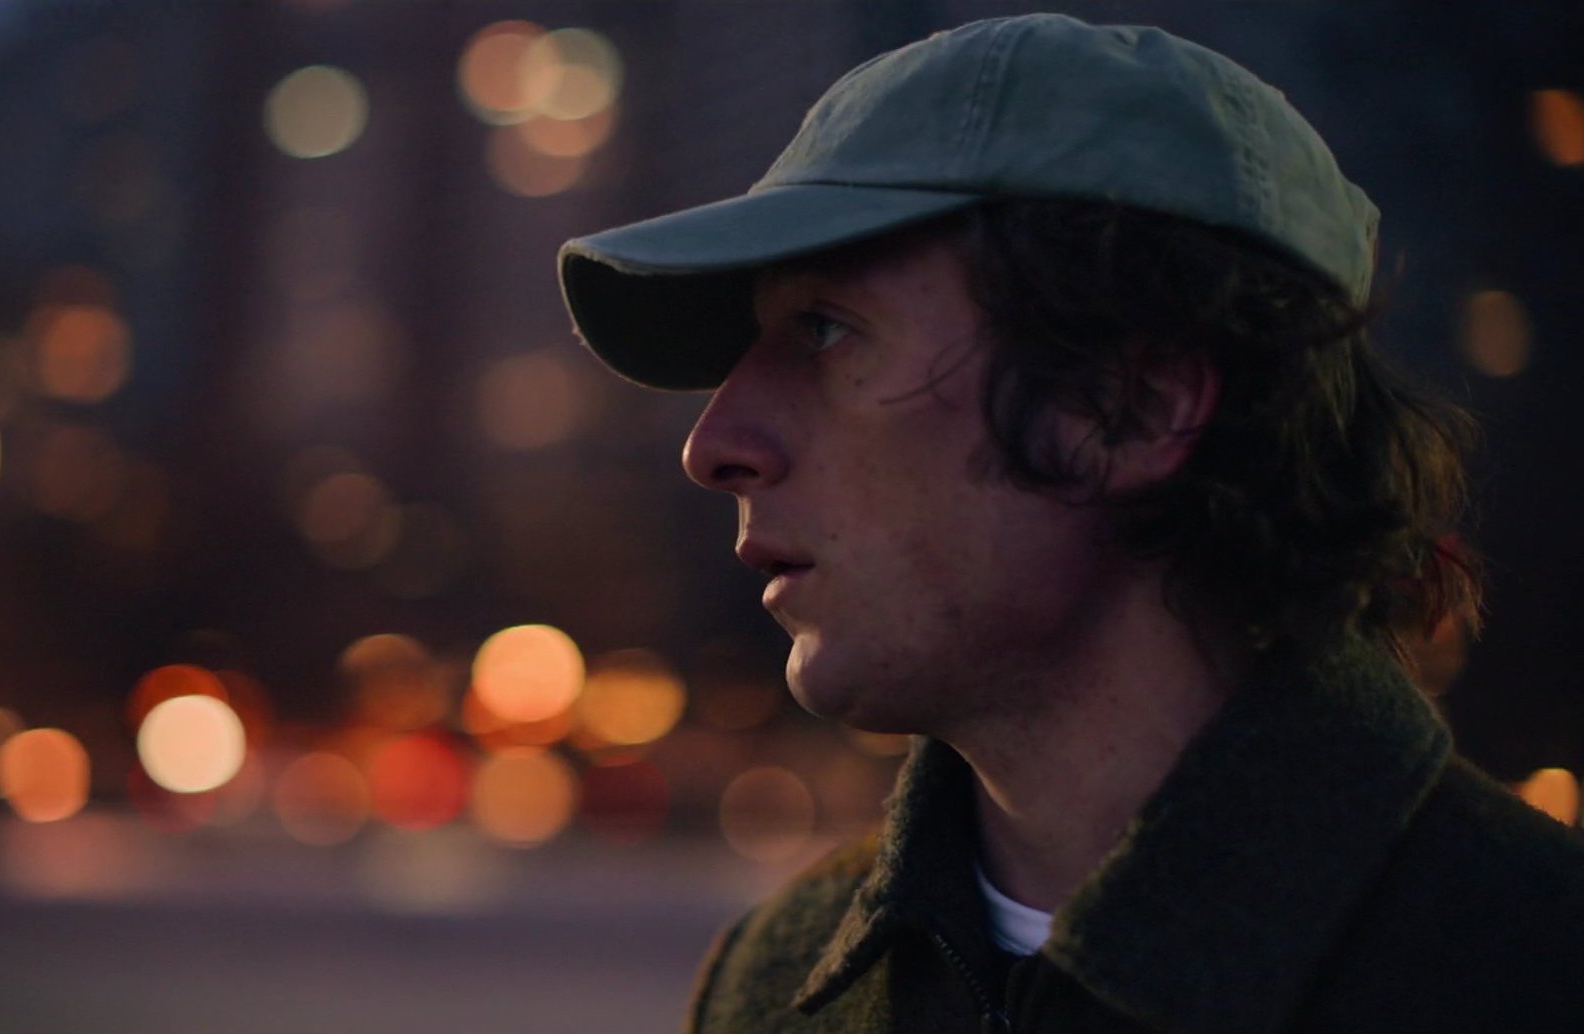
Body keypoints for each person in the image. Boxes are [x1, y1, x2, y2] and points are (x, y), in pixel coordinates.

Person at [557, 13, 1584, 1034]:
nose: (713, 443)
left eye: (824, 331)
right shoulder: (772, 984)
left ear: (1130, 407)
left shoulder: (1529, 966)